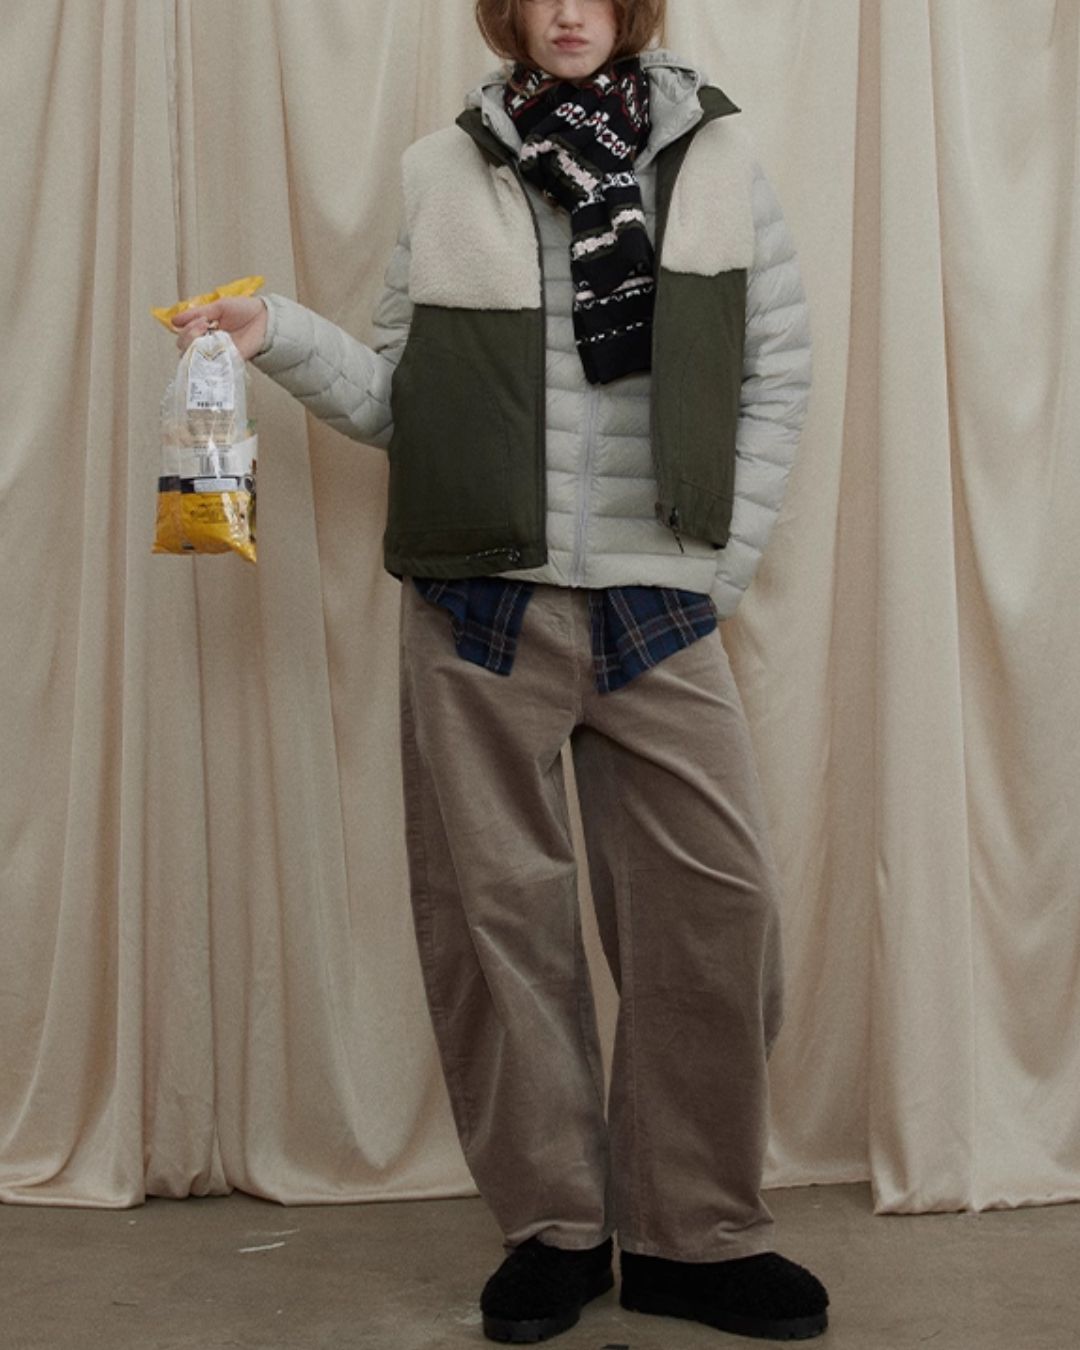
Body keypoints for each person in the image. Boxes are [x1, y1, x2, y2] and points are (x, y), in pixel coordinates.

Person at [173, 0, 826, 1341]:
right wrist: (273, 332)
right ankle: (556, 1230)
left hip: (656, 606)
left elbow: (776, 375)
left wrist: (719, 574)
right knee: (501, 930)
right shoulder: (443, 170)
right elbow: (402, 403)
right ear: (510, 12)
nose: (569, 11)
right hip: (481, 602)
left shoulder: (717, 160)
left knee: (718, 916)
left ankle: (694, 1235)